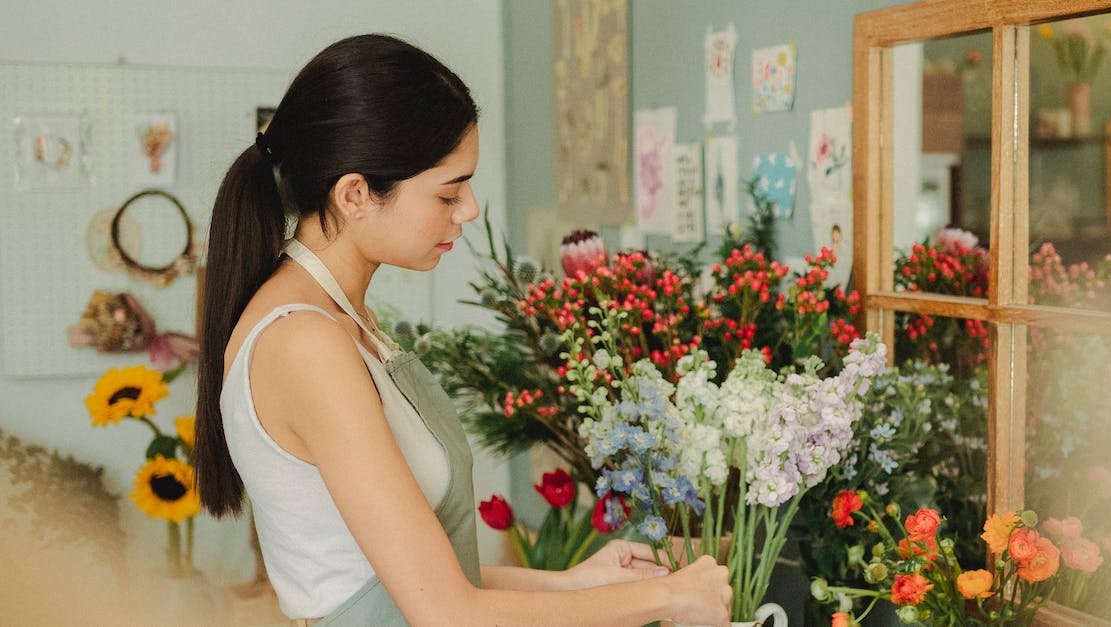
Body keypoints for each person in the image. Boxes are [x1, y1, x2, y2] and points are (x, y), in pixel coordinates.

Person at [193, 34, 731, 627]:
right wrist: (669, 598)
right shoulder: (304, 343)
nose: (469, 209)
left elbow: (413, 578)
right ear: (355, 194)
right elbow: (447, 613)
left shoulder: (347, 321)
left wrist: (572, 583)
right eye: (448, 192)